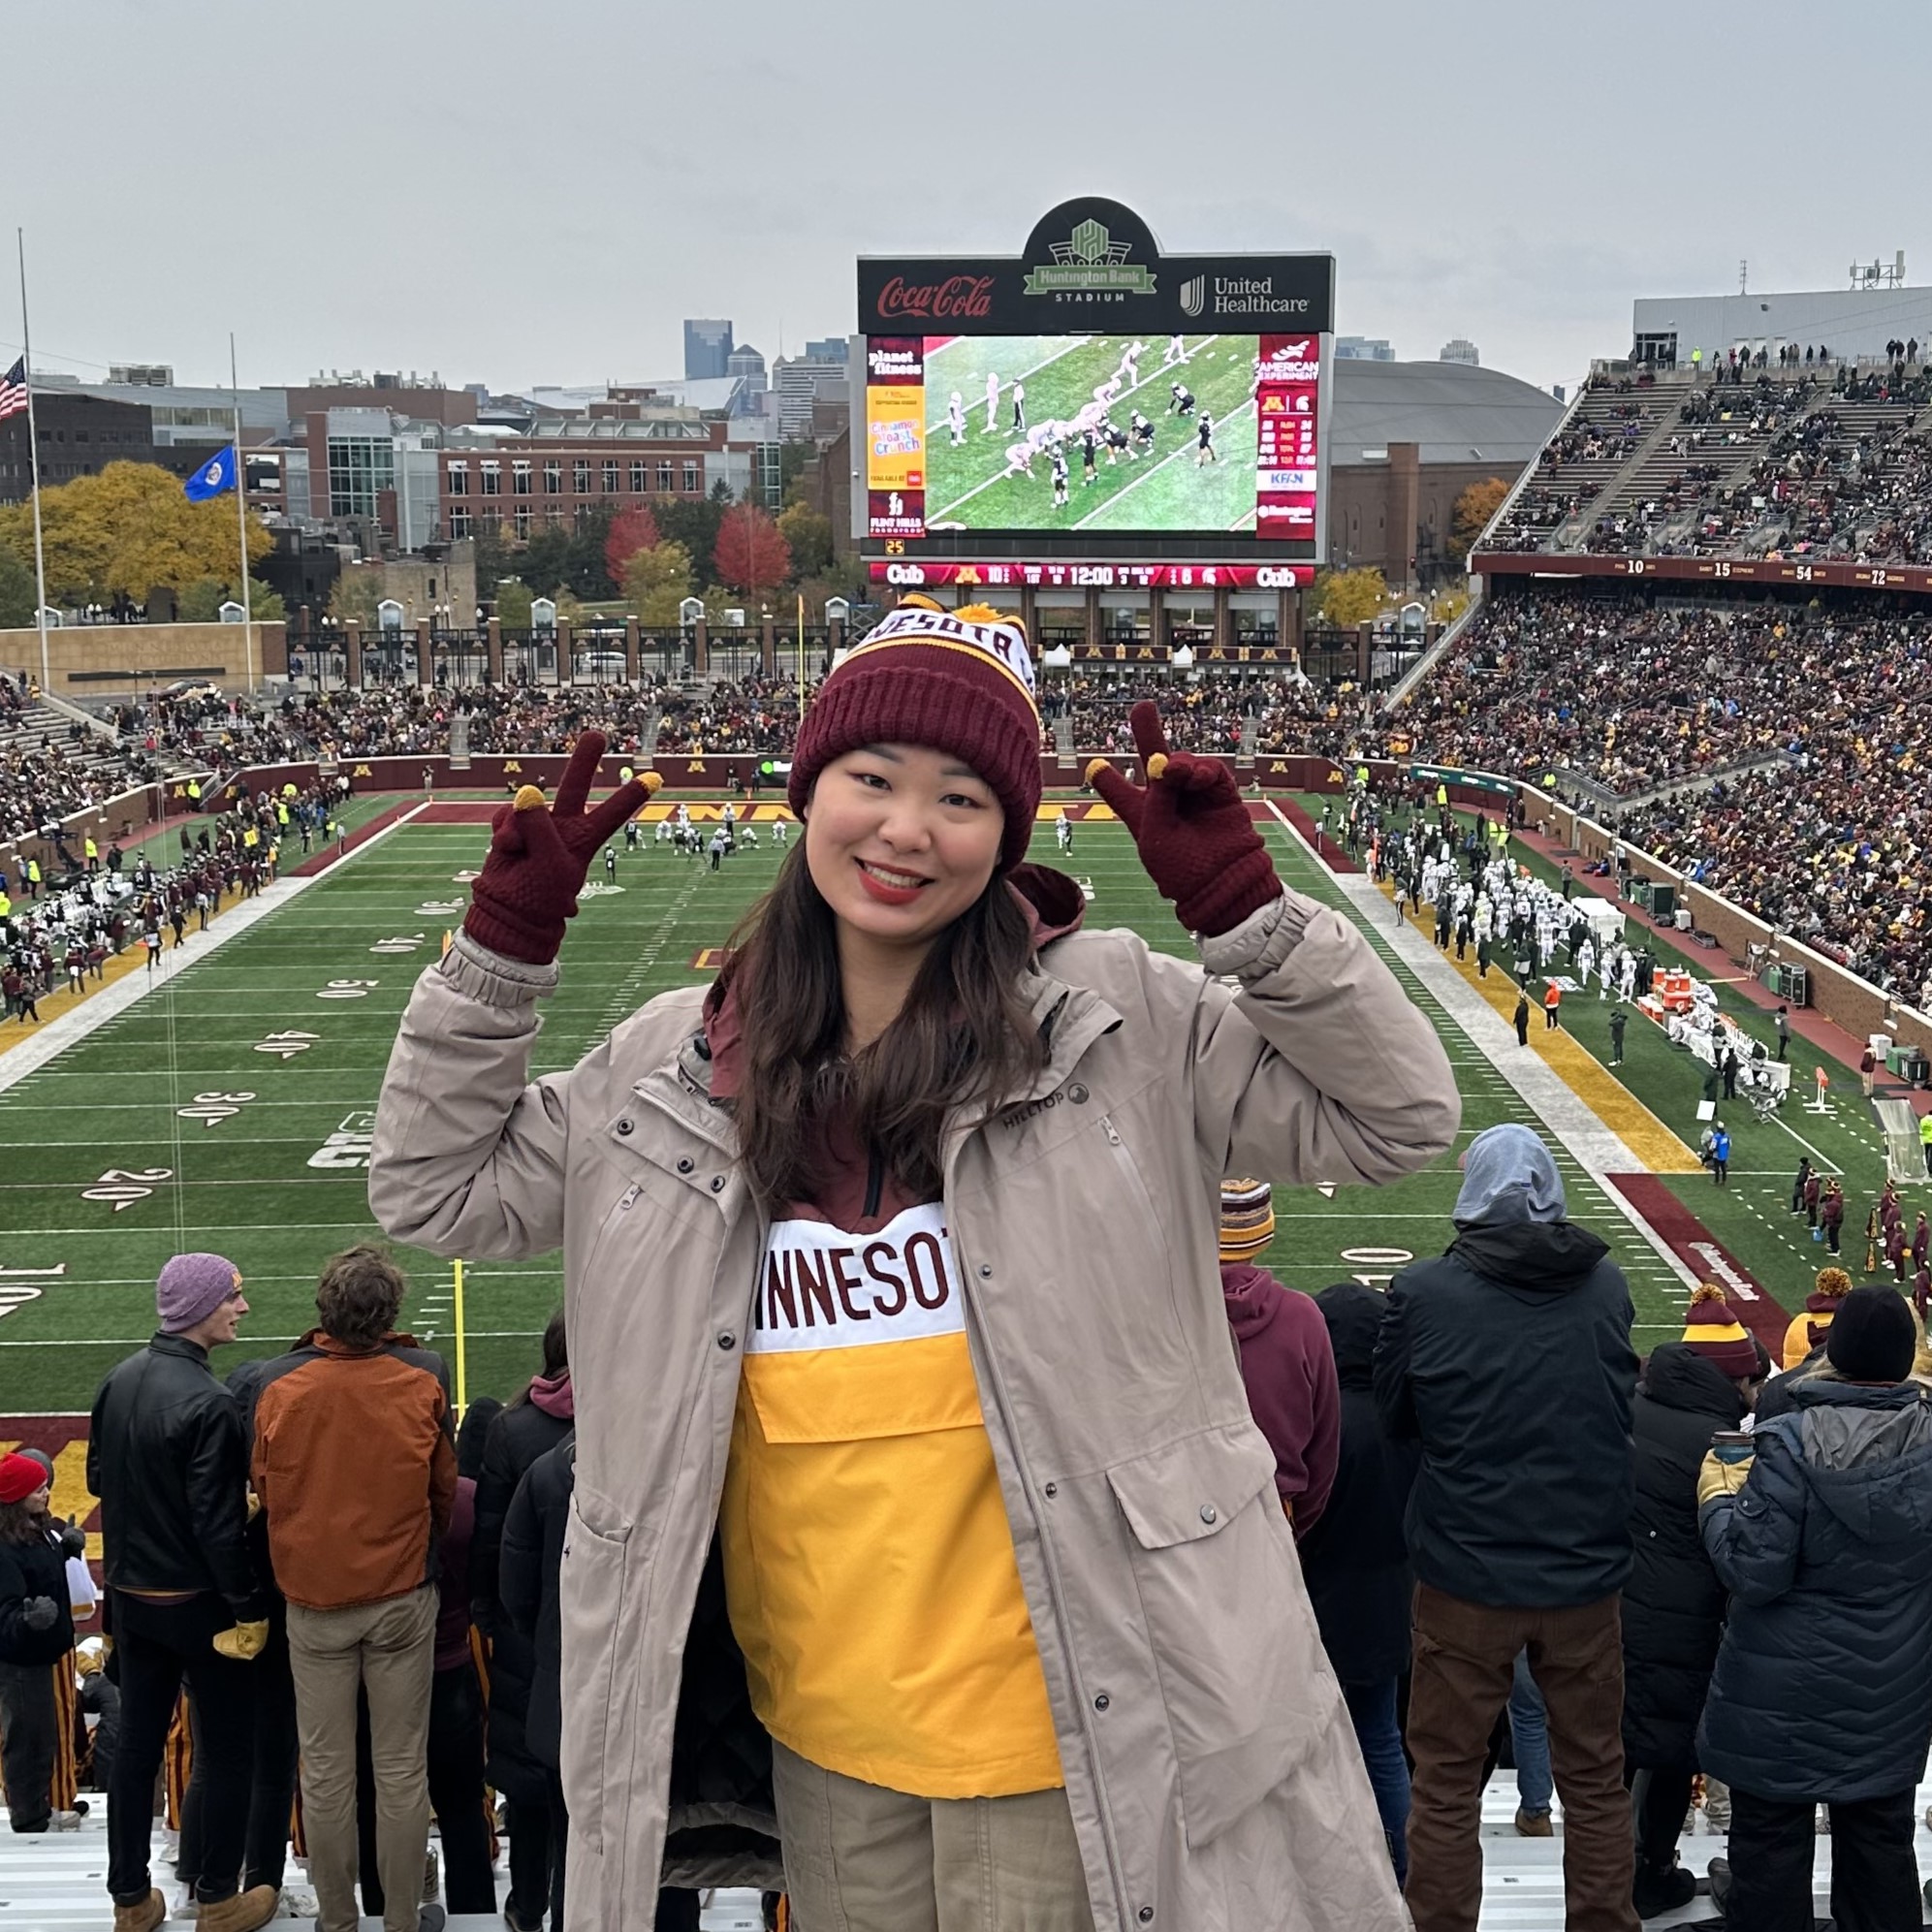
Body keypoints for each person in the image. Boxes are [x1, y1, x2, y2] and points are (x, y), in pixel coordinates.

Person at [369, 602, 1460, 1932]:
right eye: (870, 778)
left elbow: (1395, 1118)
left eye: (958, 796)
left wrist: (1249, 917)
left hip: (1074, 1717)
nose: (904, 828)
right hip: (825, 1735)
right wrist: (497, 955)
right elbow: (435, 1186)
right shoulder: (669, 1062)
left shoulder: (1119, 1015)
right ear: (808, 791)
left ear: (1006, 834)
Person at [1375, 1123, 1641, 1932]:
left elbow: (1394, 1414)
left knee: (1447, 1777)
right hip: (1581, 1570)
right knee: (1594, 1776)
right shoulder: (1605, 1288)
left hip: (1466, 1571)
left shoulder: (1424, 1292)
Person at [1698, 1285, 1932, 1929]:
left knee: (1770, 1852)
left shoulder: (1788, 1443)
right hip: (1889, 1687)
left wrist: (1717, 1500)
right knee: (1880, 1849)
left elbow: (1753, 1570)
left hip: (1781, 1691)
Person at [247, 1246, 456, 1932]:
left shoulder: (281, 1387)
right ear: (389, 1311)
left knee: (328, 1769)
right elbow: (442, 1489)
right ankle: (399, 1918)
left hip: (315, 1596)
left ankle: (338, 1919)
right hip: (398, 1591)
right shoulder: (420, 1378)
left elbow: (266, 1488)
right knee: (399, 1768)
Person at [88, 1254, 278, 1932]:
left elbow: (105, 1481)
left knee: (137, 1750)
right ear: (201, 1304)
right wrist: (248, 1606)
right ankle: (220, 1898)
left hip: (133, 1600)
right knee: (226, 1749)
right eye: (234, 1294)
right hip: (198, 1605)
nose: (243, 1307)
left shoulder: (119, 1378)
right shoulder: (211, 1402)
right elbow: (216, 1524)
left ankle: (130, 1899)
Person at [1620, 1288, 1766, 1917]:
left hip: (1611, 1612)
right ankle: (1651, 1871)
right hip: (1690, 1626)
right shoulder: (1723, 1443)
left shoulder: (1627, 1409)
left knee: (1613, 1754)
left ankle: (1600, 1878)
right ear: (1729, 1376)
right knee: (1672, 1754)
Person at [1298, 1284, 1420, 1887]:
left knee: (1313, 1750)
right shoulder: (1407, 1419)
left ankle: (1332, 1874)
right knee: (1381, 1740)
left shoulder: (1321, 1417)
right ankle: (1400, 1870)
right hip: (1390, 1602)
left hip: (1318, 1603)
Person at [472, 1316, 576, 1932]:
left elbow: (491, 1541)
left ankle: (530, 1904)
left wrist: (494, 1617)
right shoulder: (634, 1423)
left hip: (530, 1632)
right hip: (602, 1630)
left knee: (536, 1783)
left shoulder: (514, 1429)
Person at [1218, 1180, 1340, 1535]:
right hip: (1272, 1518)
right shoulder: (1302, 1317)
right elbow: (1324, 1450)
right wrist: (1291, 1526)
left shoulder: (1161, 1310)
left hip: (1176, 1525)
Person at [0, 1450, 79, 1833]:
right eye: (38, 1488)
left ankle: (38, 1806)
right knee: (27, 1738)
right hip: (21, 1660)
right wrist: (27, 1621)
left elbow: (43, 1568)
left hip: (43, 1652)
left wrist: (66, 1550)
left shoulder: (36, 1528)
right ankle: (27, 1814)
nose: (46, 1493)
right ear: (17, 1496)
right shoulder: (5, 1547)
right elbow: (4, 1613)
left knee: (43, 1733)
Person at [1708, 1121, 1729, 1188]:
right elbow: (1729, 1144)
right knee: (1723, 1168)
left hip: (1717, 1154)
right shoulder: (1727, 1136)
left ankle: (1716, 1181)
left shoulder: (1716, 1137)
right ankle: (1724, 1181)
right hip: (1724, 1154)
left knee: (1717, 1168)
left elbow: (1713, 1146)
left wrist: (1710, 1151)